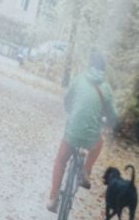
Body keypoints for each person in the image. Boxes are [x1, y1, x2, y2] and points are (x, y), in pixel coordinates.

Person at [47, 49, 118, 210]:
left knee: (60, 160)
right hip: (91, 136)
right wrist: (110, 122)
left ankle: (53, 197)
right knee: (99, 142)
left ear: (90, 64)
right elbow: (112, 113)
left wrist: (70, 111)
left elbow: (67, 99)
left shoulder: (79, 79)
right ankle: (85, 171)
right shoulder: (106, 88)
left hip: (73, 130)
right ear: (103, 69)